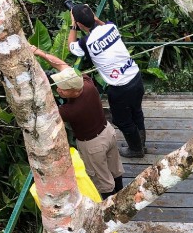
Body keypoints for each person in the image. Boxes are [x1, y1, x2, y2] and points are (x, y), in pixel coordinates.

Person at [32, 51, 124, 198]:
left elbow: (44, 114)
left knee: (103, 181)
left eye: (62, 88)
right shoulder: (87, 83)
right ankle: (121, 195)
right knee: (115, 170)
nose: (58, 89)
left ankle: (112, 211)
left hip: (93, 145)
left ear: (73, 92)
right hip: (108, 132)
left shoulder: (71, 110)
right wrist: (38, 53)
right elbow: (62, 65)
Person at [68, 3, 146, 159]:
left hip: (120, 88)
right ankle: (141, 142)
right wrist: (95, 19)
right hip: (136, 78)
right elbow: (105, 25)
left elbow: (71, 46)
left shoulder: (86, 43)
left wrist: (73, 26)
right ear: (93, 16)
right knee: (136, 110)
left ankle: (136, 149)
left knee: (122, 120)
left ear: (80, 24)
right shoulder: (111, 27)